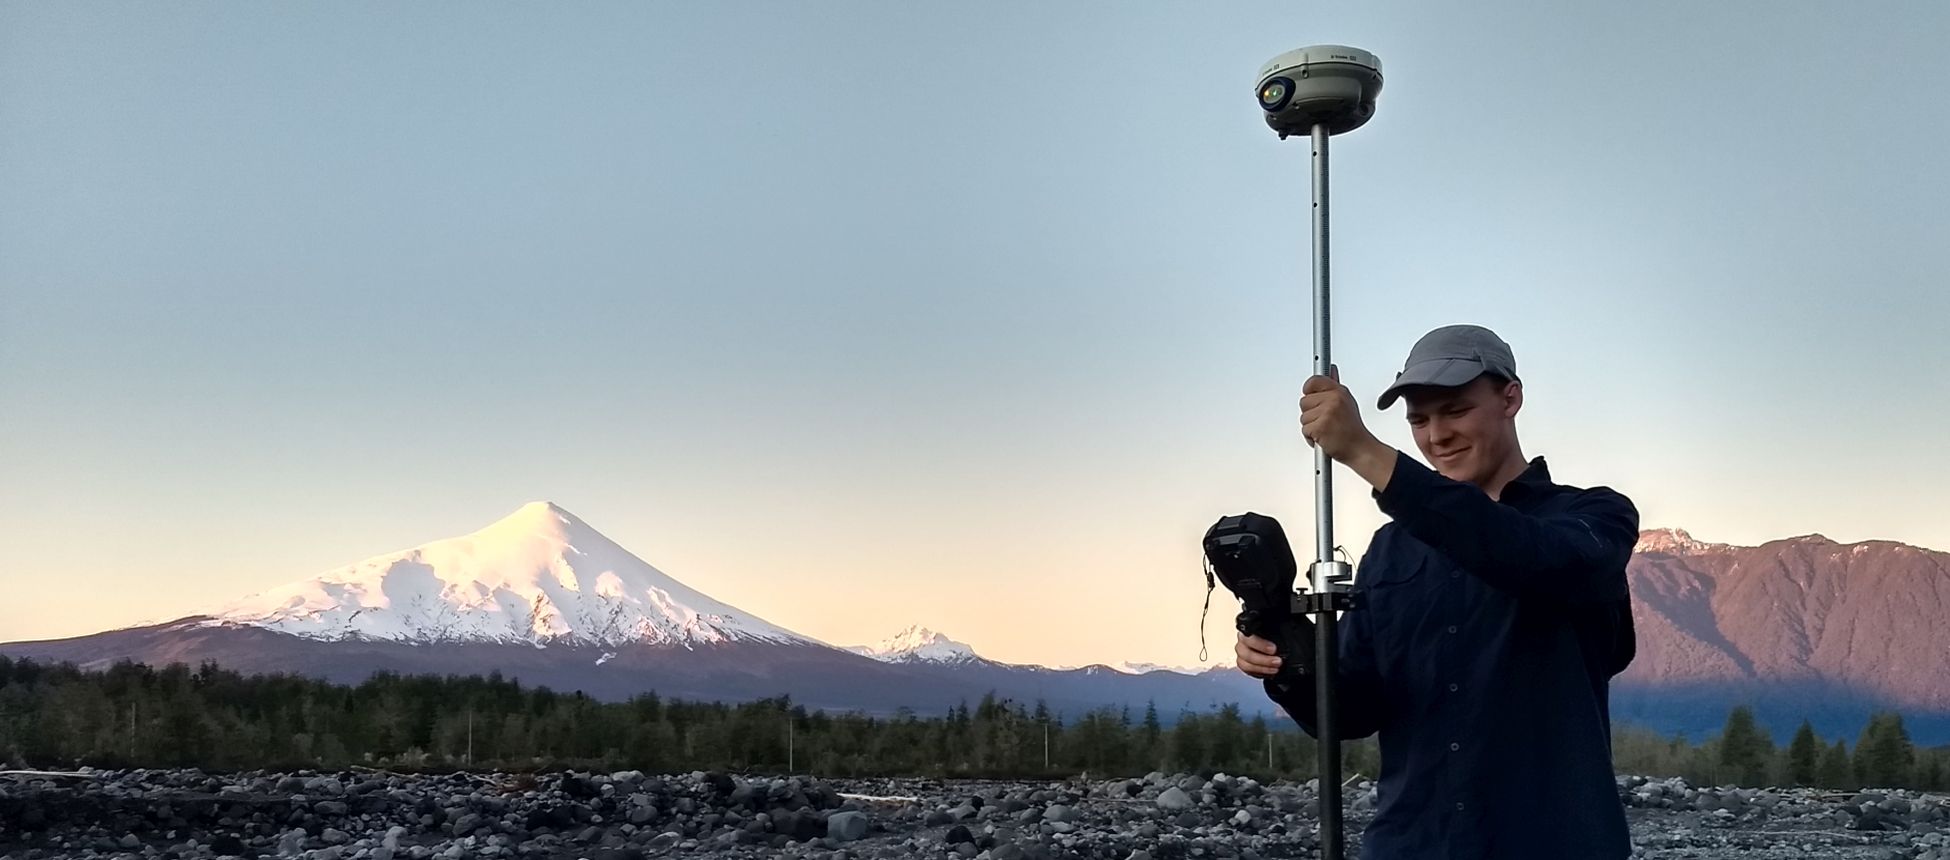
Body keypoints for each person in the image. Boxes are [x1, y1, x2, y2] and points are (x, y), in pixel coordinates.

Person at [1237, 323, 1639, 859]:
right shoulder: (1390, 550)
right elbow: (1353, 710)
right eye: (1418, 420)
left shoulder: (1594, 518)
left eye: (1455, 410)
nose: (1436, 436)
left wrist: (1364, 452)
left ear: (1510, 397)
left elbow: (1529, 557)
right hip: (1411, 844)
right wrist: (1286, 654)